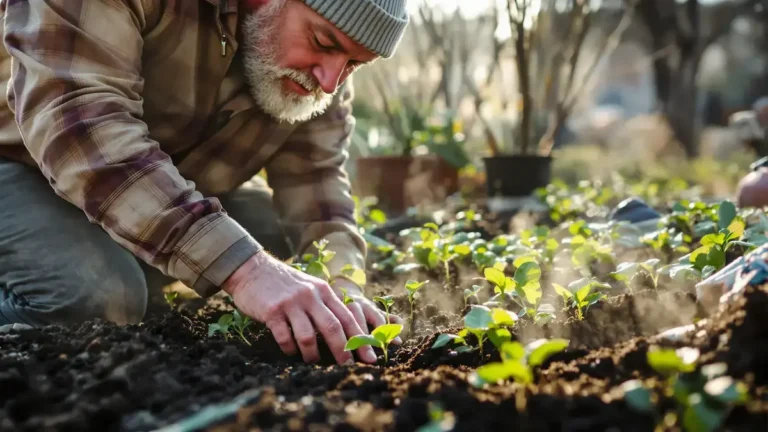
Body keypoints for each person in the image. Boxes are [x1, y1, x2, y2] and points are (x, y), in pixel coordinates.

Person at [0, 0, 409, 366]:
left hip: (145, 192)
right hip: (22, 168)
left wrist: (343, 287)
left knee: (281, 246)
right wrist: (245, 271)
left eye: (354, 64)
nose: (329, 82)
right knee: (94, 300)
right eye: (323, 41)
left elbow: (316, 182)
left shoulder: (320, 71)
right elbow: (81, 130)